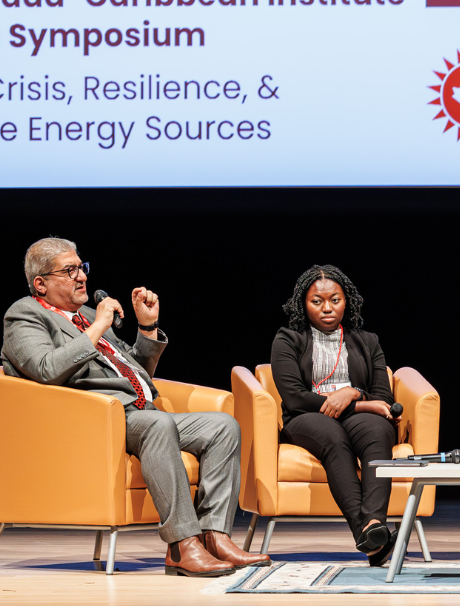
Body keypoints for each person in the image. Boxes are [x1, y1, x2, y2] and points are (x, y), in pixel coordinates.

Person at [1, 238, 269, 577]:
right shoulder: (25, 314)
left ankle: (214, 536)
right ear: (40, 283)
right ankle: (182, 545)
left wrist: (146, 327)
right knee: (160, 426)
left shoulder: (85, 316)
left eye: (81, 268)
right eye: (69, 271)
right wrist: (99, 326)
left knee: (222, 426)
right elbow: (45, 368)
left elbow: (133, 369)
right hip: (93, 419)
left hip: (138, 413)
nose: (81, 277)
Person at [270, 265, 400, 566]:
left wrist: (353, 393)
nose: (327, 308)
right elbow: (294, 397)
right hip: (306, 416)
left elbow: (383, 397)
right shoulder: (287, 338)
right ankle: (368, 531)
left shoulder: (367, 341)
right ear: (304, 303)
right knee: (333, 437)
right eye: (317, 301)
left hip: (357, 413)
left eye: (335, 300)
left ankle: (373, 528)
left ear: (347, 301)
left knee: (378, 432)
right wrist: (356, 403)